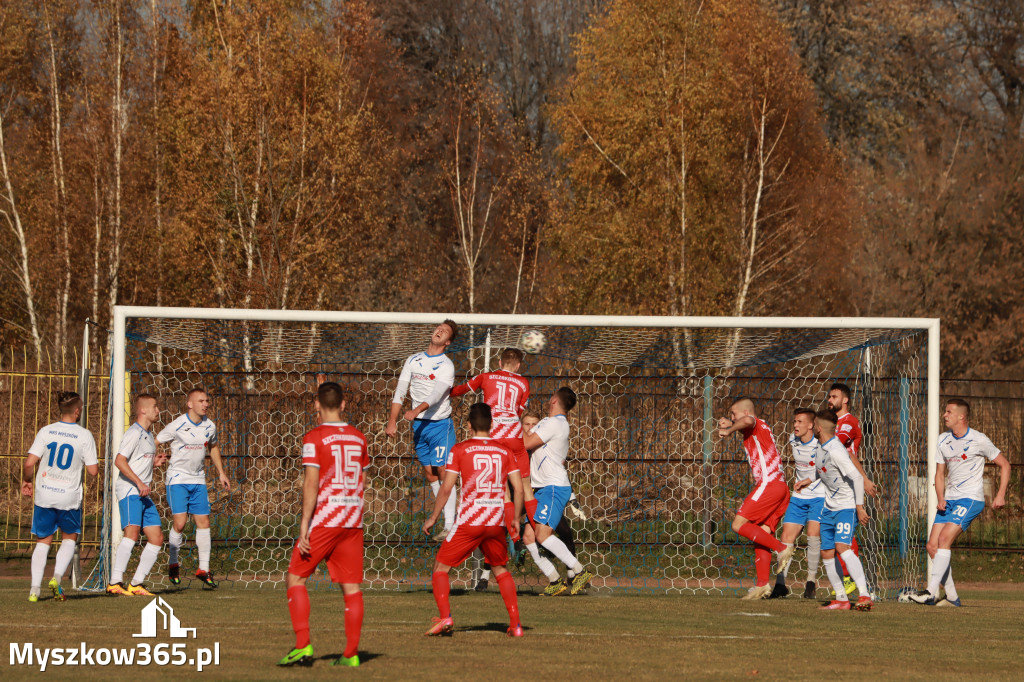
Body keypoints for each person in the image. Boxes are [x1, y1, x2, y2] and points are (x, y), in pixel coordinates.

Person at [278, 382, 368, 667]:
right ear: (343, 404)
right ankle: (351, 655)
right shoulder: (359, 437)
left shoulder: (313, 437)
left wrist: (304, 523)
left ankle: (303, 646)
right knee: (351, 588)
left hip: (326, 519)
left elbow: (311, 483)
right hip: (353, 520)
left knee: (296, 577)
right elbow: (363, 480)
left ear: (316, 405)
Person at [423, 403, 525, 637]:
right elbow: (518, 490)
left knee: (440, 568)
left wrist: (433, 517)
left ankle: (446, 617)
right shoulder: (505, 451)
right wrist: (516, 518)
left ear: (468, 425)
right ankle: (516, 625)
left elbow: (447, 488)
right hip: (495, 521)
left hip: (470, 520)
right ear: (492, 424)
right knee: (500, 569)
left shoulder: (460, 449)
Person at [910, 398, 1010, 607]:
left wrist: (1000, 495)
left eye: (948, 412)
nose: (944, 415)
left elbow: (1005, 465)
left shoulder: (978, 439)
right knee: (932, 546)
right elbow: (939, 473)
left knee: (944, 539)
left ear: (961, 417)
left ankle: (930, 592)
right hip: (950, 500)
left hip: (970, 498)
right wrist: (940, 498)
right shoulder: (942, 439)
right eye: (945, 412)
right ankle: (953, 598)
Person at [450, 347, 531, 590]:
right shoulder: (523, 382)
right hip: (515, 440)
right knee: (525, 489)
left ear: (499, 361)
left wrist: (446, 392)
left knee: (500, 496)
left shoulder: (487, 376)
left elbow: (462, 389)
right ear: (517, 365)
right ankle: (530, 533)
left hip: (493, 440)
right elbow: (518, 410)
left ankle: (516, 537)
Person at [21, 391, 99, 602]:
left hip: (45, 494)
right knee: (69, 537)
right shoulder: (84, 435)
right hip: (68, 496)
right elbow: (93, 471)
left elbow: (29, 463)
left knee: (43, 542)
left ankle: (34, 590)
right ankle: (56, 578)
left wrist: (27, 480)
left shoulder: (46, 431)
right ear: (76, 411)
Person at [386, 320, 459, 538]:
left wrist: (416, 409)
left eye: (444, 331)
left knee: (444, 472)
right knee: (430, 473)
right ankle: (444, 520)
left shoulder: (446, 365)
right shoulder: (413, 360)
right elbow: (400, 390)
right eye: (439, 327)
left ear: (448, 342)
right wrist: (392, 420)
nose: (439, 331)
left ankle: (449, 524)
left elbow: (436, 396)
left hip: (439, 425)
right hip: (419, 425)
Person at [717, 397, 794, 600]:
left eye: (734, 414)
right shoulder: (761, 427)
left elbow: (748, 421)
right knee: (761, 535)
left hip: (769, 485)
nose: (732, 417)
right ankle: (762, 585)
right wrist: (731, 423)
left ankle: (782, 548)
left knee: (738, 524)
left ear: (744, 412)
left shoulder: (753, 422)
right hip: (781, 489)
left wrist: (729, 429)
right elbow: (746, 422)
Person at [796, 409, 872, 611]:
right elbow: (822, 470)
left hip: (845, 508)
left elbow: (856, 477)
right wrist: (807, 480)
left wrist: (860, 508)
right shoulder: (821, 448)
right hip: (828, 508)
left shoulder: (836, 450)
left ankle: (864, 595)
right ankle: (841, 599)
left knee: (842, 547)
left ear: (819, 428)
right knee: (827, 552)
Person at [521, 387, 593, 596]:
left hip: (554, 487)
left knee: (542, 536)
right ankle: (554, 580)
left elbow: (526, 442)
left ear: (553, 400)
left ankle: (579, 571)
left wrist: (512, 421)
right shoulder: (548, 422)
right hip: (542, 488)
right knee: (528, 537)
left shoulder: (555, 423)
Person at [157, 387, 230, 588]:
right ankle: (173, 563)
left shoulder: (210, 426)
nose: (206, 404)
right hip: (177, 479)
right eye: (201, 401)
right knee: (180, 524)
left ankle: (203, 569)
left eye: (207, 401)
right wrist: (154, 458)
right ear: (190, 404)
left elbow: (213, 447)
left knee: (204, 522)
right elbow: (156, 440)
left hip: (198, 479)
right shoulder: (177, 424)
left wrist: (221, 473)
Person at [107, 393, 166, 596]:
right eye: (155, 407)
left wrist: (153, 463)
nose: (158, 410)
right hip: (130, 489)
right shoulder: (134, 432)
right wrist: (139, 482)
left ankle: (136, 584)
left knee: (156, 537)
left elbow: (137, 462)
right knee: (131, 533)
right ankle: (115, 581)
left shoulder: (149, 435)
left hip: (142, 492)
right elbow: (120, 460)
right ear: (143, 410)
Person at [826, 382, 876, 595]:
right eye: (829, 397)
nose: (830, 400)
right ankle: (845, 580)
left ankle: (852, 580)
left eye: (834, 396)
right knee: (829, 532)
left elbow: (840, 447)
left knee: (844, 535)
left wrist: (863, 478)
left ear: (845, 400)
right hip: (831, 482)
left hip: (847, 482)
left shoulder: (849, 422)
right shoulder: (830, 423)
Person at [770, 407, 823, 600]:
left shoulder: (820, 444)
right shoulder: (793, 439)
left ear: (811, 425)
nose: (795, 425)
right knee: (786, 536)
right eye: (794, 422)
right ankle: (780, 584)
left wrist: (808, 480)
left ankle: (810, 582)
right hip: (799, 496)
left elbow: (825, 468)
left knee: (812, 534)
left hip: (819, 496)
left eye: (800, 421)